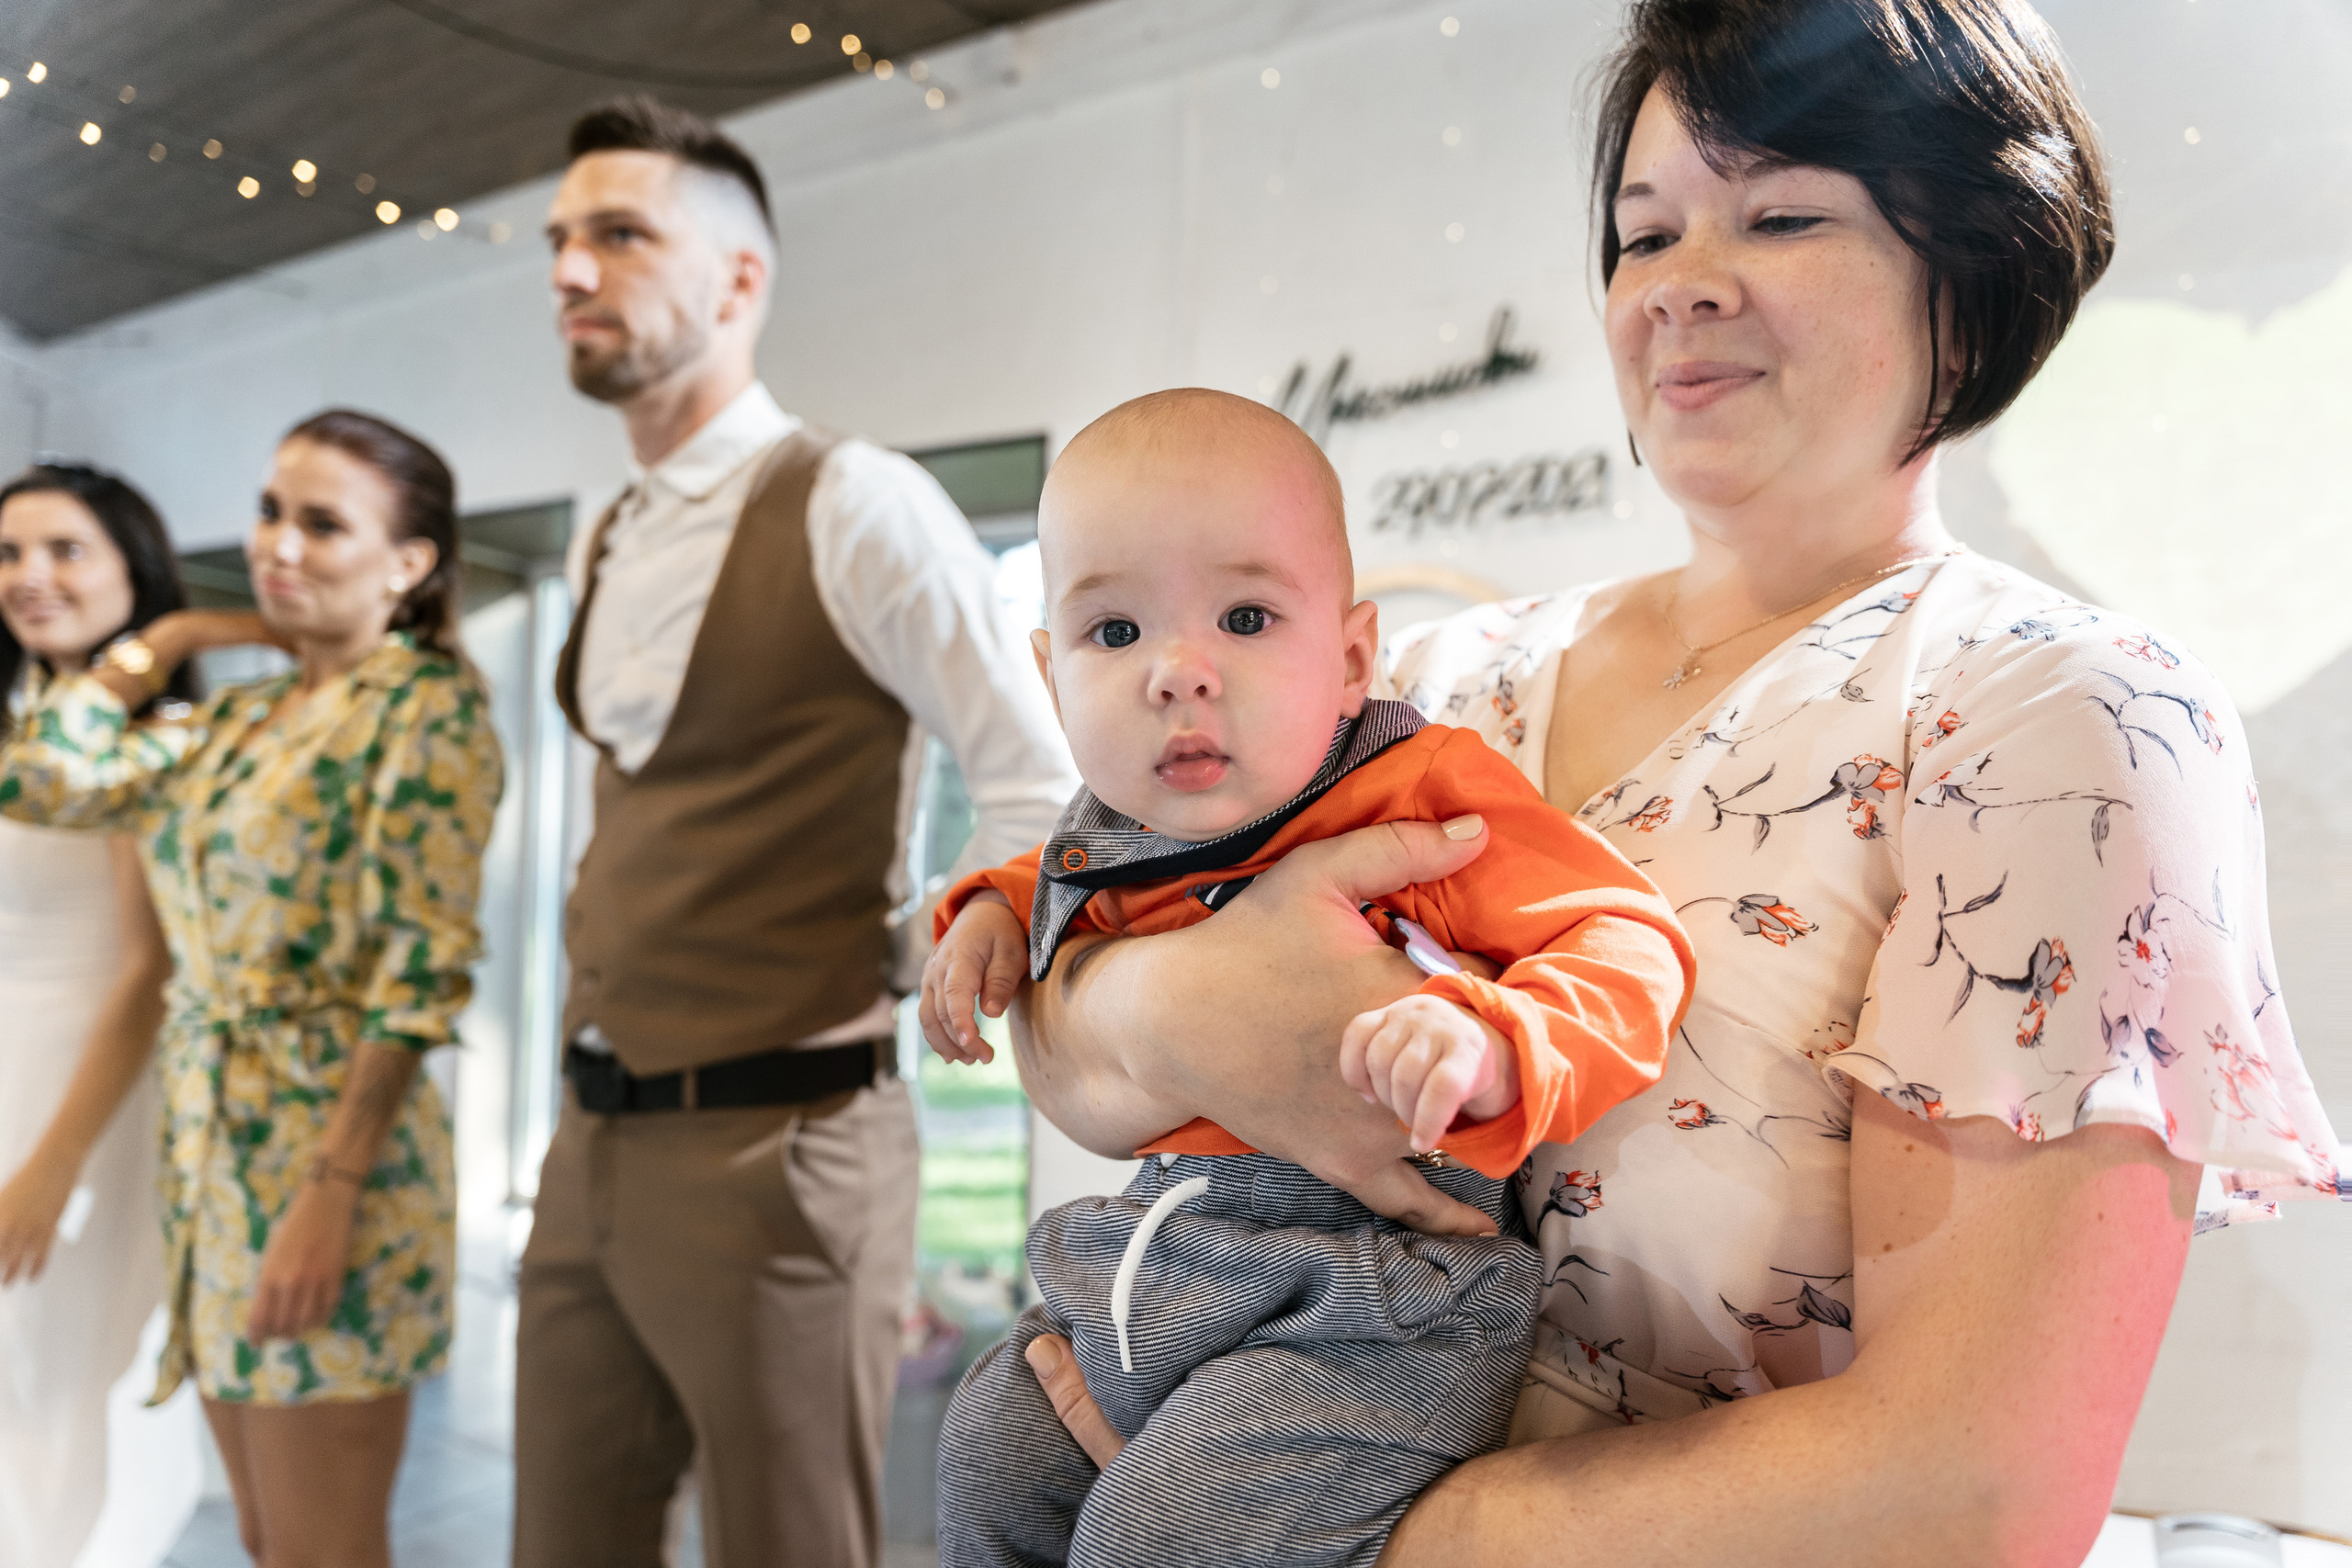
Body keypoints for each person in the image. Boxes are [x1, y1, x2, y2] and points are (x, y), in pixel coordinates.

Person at [992, 3, 2348, 1564]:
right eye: (1644, 236)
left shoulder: (2054, 712)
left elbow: (1973, 1486)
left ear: (1966, 284)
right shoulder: (1439, 680)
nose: (1684, 287)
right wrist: (1150, 1013)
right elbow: (1070, 1030)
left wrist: (1301, 1528)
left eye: (1780, 214)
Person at [920, 390, 1694, 1568]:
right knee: (988, 1444)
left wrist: (1495, 1043)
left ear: (1347, 658)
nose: (1177, 672)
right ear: (1050, 673)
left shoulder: (1418, 794)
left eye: (1243, 616)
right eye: (1114, 633)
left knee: (1158, 1540)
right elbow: (1066, 874)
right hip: (1158, 1269)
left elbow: (1621, 938)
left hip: (1373, 1304)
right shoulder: (1121, 824)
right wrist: (989, 909)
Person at [516, 96, 1078, 1568]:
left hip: (783, 1143)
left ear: (740, 281)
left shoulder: (857, 503)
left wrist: (928, 938)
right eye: (561, 240)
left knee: (789, 1544)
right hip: (588, 1138)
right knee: (561, 1539)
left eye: (620, 235)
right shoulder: (610, 529)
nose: (571, 270)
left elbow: (1037, 772)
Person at [0, 411, 502, 1568]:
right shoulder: (236, 720)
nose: (279, 544)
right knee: (271, 1544)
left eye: (323, 525)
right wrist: (172, 634)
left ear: (410, 563)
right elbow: (39, 778)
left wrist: (329, 1189)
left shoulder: (420, 706)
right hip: (207, 1169)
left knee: (325, 1548)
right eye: (272, 513)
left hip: (330, 1169)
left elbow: (419, 979)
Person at [0, 462, 202, 1567]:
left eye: (66, 550)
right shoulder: (27, 729)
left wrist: (53, 1162)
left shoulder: (155, 741)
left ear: (136, 571)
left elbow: (148, 972)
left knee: (55, 1382)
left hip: (83, 1094)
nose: (32, 576)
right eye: (10, 553)